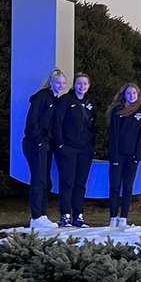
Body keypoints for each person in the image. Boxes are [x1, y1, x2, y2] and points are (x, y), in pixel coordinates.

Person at [22, 68, 67, 228]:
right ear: (51, 82)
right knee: (39, 179)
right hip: (35, 144)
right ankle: (36, 216)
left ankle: (42, 214)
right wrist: (39, 140)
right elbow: (32, 121)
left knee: (46, 181)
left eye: (63, 83)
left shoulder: (56, 100)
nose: (60, 85)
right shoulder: (42, 97)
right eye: (57, 82)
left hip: (46, 145)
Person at [53, 72, 97, 228]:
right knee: (67, 182)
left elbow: (94, 126)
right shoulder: (65, 101)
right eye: (79, 83)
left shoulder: (90, 102)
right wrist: (60, 145)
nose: (82, 86)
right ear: (74, 84)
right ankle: (65, 215)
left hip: (85, 150)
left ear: (89, 86)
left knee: (80, 184)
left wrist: (92, 146)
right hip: (68, 149)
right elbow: (57, 124)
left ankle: (78, 215)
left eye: (85, 84)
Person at [107, 83, 141, 229]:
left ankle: (124, 217)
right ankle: (113, 217)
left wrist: (139, 154)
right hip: (118, 155)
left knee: (128, 187)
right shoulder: (117, 110)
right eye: (129, 93)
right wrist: (114, 156)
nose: (132, 96)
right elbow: (114, 135)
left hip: (132, 156)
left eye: (134, 93)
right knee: (115, 186)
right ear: (124, 94)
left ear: (138, 95)